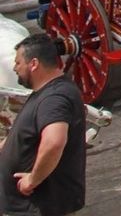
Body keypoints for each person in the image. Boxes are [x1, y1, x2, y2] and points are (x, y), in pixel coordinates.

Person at [0, 34, 87, 216]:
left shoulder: (54, 99)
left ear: (33, 64)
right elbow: (32, 133)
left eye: (18, 63)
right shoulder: (46, 92)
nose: (15, 68)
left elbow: (54, 142)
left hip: (39, 207)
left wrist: (32, 180)